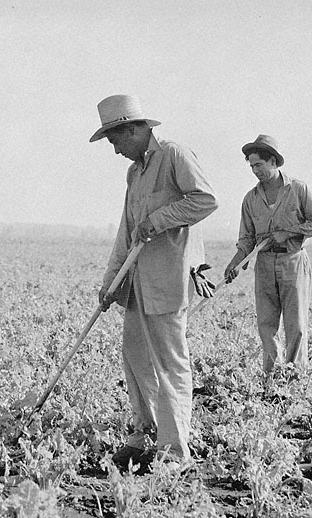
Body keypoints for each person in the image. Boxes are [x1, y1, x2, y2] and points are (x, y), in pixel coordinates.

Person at [91, 94, 217, 470]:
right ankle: (143, 433)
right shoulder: (134, 173)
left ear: (131, 128)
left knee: (169, 363)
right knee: (135, 358)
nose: (115, 150)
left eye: (115, 141)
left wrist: (159, 219)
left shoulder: (175, 155)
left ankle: (174, 449)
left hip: (170, 279)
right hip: (137, 283)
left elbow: (205, 200)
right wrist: (110, 280)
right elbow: (126, 231)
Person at [224, 135, 312, 374]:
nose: (255, 170)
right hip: (265, 263)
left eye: (259, 165)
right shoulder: (250, 199)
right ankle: (270, 378)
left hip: (293, 262)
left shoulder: (298, 189)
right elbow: (246, 238)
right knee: (266, 325)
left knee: (296, 325)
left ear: (273, 162)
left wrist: (288, 233)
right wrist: (235, 263)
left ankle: (294, 376)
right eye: (251, 166)